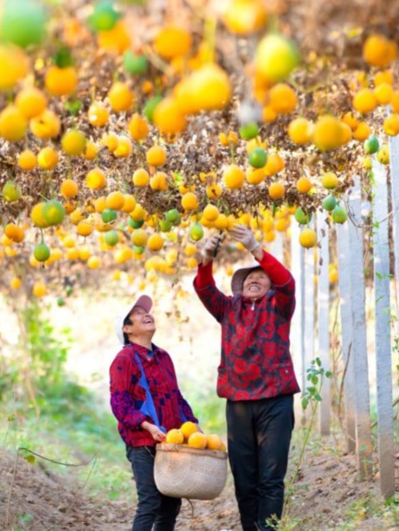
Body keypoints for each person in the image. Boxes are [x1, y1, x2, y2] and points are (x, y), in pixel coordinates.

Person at [193, 224, 299, 531]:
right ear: (240, 287)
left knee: (271, 477)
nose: (254, 279)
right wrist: (207, 258)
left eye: (261, 277)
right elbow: (203, 289)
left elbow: (287, 283)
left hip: (275, 402)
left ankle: (268, 529)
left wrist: (256, 248)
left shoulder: (279, 306)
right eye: (249, 278)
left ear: (270, 286)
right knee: (244, 479)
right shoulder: (228, 308)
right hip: (239, 403)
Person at [109, 294, 199, 531]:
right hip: (143, 443)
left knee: (171, 504)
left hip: (169, 441)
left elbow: (176, 397)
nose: (145, 314)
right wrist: (147, 425)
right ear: (127, 328)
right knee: (150, 502)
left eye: (145, 311)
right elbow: (119, 403)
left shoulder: (163, 357)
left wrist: (192, 423)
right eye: (137, 314)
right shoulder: (124, 359)